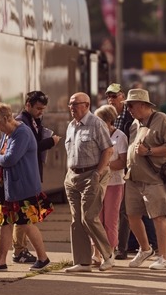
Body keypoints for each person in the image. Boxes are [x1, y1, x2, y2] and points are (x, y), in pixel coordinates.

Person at [0, 103, 52, 272]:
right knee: (3, 223)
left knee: (25, 223)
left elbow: (10, 158)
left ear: (6, 118)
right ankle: (0, 262)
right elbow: (3, 150)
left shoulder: (22, 133)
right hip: (7, 187)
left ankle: (43, 258)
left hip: (22, 187)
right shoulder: (8, 132)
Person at [124, 89, 166, 270]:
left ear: (143, 105)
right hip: (133, 178)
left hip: (154, 178)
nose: (128, 109)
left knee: (159, 217)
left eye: (131, 105)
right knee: (132, 216)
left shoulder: (162, 120)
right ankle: (145, 249)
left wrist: (148, 152)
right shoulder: (134, 124)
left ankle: (163, 258)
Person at [63, 92, 115, 272]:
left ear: (86, 105)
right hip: (72, 177)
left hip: (92, 175)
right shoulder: (71, 125)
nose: (71, 107)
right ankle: (82, 262)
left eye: (75, 104)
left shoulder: (96, 123)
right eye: (70, 104)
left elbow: (108, 150)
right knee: (76, 220)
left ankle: (107, 255)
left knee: (89, 217)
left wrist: (98, 173)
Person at [106, 83, 156, 259]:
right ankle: (135, 243)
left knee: (135, 209)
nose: (111, 99)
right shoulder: (113, 116)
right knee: (130, 210)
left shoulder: (131, 118)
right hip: (122, 169)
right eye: (109, 96)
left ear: (122, 96)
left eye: (114, 96)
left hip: (129, 167)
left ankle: (148, 244)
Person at [12, 91, 62, 264]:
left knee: (24, 214)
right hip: (26, 173)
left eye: (43, 109)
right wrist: (51, 142)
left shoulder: (33, 120)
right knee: (24, 214)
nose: (41, 111)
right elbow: (30, 147)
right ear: (28, 105)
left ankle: (20, 249)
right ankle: (19, 249)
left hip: (31, 171)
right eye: (38, 108)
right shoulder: (22, 122)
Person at [93, 105, 128, 264]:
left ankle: (110, 252)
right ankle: (96, 253)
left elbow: (122, 162)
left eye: (99, 121)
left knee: (111, 220)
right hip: (98, 182)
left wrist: (104, 165)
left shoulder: (120, 137)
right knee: (96, 218)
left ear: (108, 121)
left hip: (114, 183)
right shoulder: (97, 134)